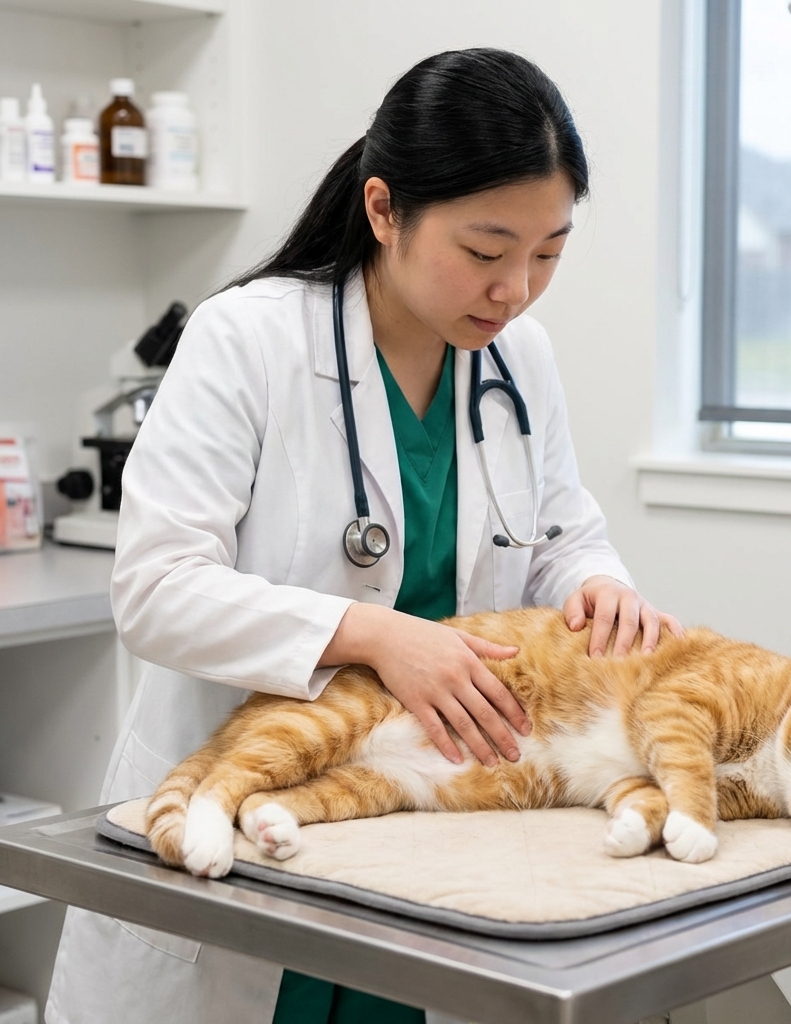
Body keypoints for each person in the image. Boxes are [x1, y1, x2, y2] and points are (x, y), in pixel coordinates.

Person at [45, 48, 681, 1024]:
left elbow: (559, 532)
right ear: (384, 210)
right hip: (248, 814)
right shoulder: (248, 338)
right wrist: (373, 633)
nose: (515, 287)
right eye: (485, 249)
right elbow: (158, 589)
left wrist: (598, 582)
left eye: (548, 251)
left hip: (420, 813)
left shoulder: (519, 360)